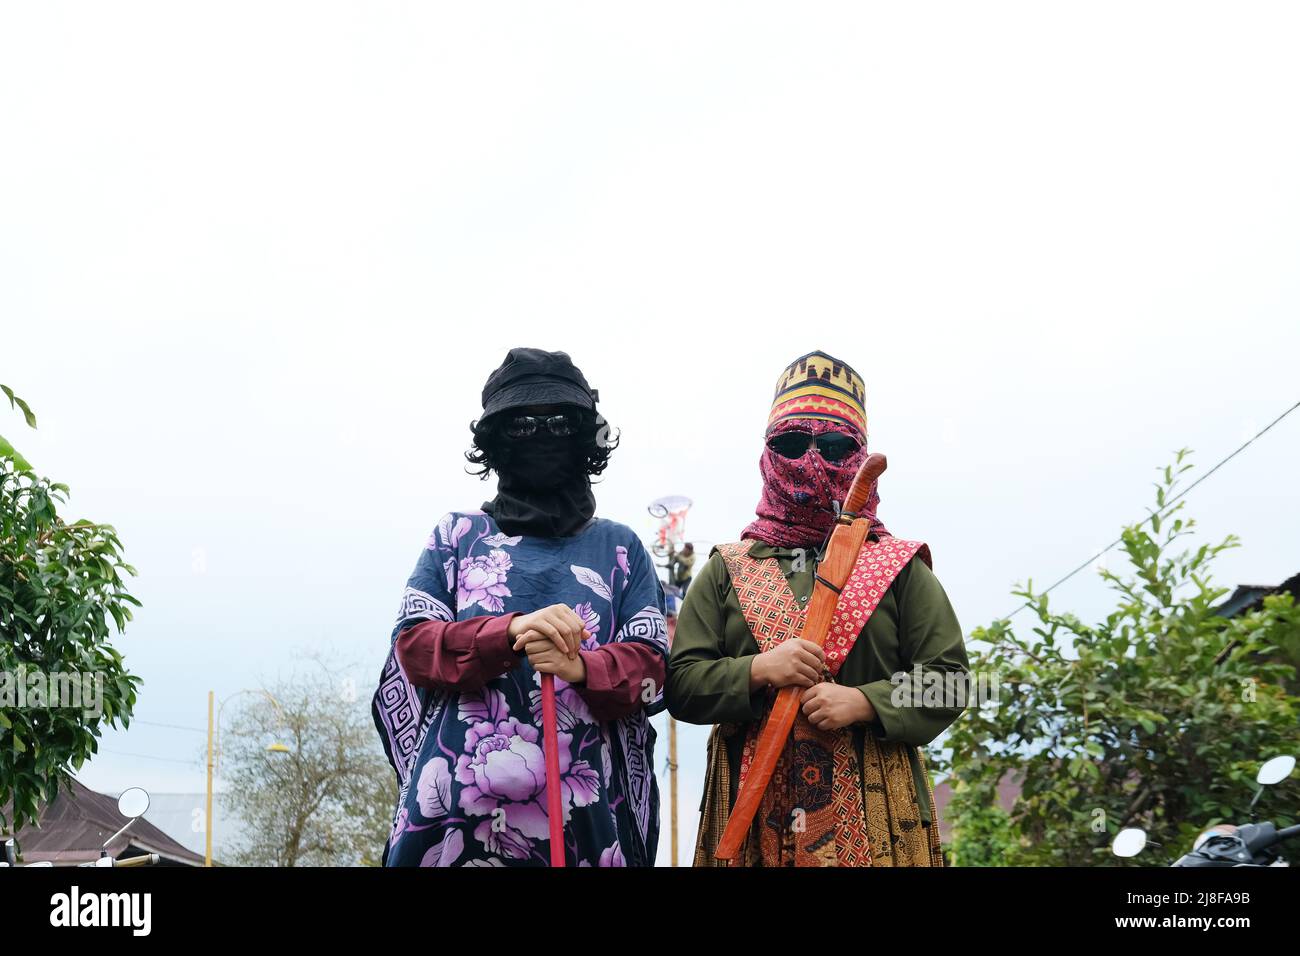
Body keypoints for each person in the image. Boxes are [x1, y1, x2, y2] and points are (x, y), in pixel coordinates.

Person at [666, 350, 969, 867]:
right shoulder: (726, 568)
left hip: (878, 820)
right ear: (768, 453)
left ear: (858, 457)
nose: (810, 458)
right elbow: (680, 685)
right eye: (790, 442)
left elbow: (951, 680)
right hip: (751, 808)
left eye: (832, 445)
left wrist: (867, 702)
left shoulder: (899, 567)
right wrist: (759, 670)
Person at [372, 348, 668, 867]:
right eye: (521, 426)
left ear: (584, 435)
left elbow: (655, 670)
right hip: (454, 830)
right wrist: (507, 633)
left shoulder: (622, 549)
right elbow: (414, 650)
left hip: (589, 826)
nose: (540, 436)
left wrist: (583, 667)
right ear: (494, 440)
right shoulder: (456, 536)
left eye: (557, 423)